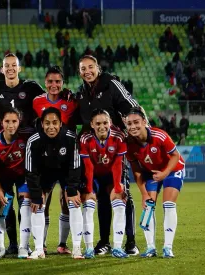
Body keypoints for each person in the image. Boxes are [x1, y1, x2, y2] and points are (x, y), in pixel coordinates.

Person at [76, 55, 139, 255]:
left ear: (98, 69)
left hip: (116, 148)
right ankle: (104, 242)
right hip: (94, 152)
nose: (88, 71)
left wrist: (139, 130)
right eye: (83, 68)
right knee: (102, 198)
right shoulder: (82, 93)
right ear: (79, 72)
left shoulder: (111, 84)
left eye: (91, 67)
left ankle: (131, 242)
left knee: (122, 194)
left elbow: (132, 106)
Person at [0, 53, 44, 254]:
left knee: (28, 201)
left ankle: (30, 243)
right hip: (4, 154)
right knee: (6, 203)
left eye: (14, 65)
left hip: (25, 150)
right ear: (2, 69)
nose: (10, 68)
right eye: (6, 66)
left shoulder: (32, 88)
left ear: (19, 68)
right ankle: (12, 243)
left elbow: (46, 105)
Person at [24, 107, 84, 259]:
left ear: (61, 123)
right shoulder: (34, 140)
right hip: (44, 175)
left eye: (55, 123)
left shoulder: (70, 138)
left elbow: (75, 166)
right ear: (42, 124)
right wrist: (37, 194)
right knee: (38, 205)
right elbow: (31, 171)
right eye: (47, 123)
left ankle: (76, 247)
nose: (51, 127)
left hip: (66, 173)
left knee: (73, 202)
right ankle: (39, 249)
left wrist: (71, 190)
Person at [125, 108, 185, 258]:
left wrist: (164, 173)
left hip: (172, 169)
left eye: (136, 122)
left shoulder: (159, 136)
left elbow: (175, 155)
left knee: (168, 204)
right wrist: (144, 194)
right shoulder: (129, 144)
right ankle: (151, 248)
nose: (133, 126)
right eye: (129, 123)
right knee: (148, 207)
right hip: (151, 173)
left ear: (144, 122)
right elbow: (137, 171)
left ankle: (168, 247)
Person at [32, 65, 78, 254]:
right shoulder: (36, 102)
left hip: (66, 158)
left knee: (66, 200)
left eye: (58, 81)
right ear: (45, 82)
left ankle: (62, 244)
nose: (54, 85)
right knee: (45, 201)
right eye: (50, 81)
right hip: (46, 158)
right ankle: (41, 244)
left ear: (63, 83)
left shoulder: (72, 101)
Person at [79, 109, 129, 258]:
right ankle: (88, 248)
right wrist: (88, 189)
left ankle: (118, 247)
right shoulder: (85, 139)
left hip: (111, 175)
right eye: (98, 123)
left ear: (110, 123)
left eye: (105, 123)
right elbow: (88, 167)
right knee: (88, 205)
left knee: (119, 203)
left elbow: (117, 164)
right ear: (92, 125)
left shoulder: (119, 137)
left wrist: (118, 186)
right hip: (93, 176)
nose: (102, 126)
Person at [0, 107, 30, 259]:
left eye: (14, 121)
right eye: (7, 121)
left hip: (23, 176)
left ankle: (24, 246)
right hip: (4, 177)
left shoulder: (26, 137)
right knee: (5, 208)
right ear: (1, 123)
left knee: (24, 206)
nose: (11, 125)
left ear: (19, 122)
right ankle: (11, 244)